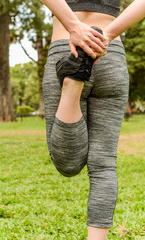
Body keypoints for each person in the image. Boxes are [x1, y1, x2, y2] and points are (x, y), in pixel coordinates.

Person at [41, 0, 130, 239]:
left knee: (67, 165)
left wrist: (74, 27)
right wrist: (106, 35)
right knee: (104, 164)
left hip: (67, 50)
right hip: (109, 51)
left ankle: (73, 84)